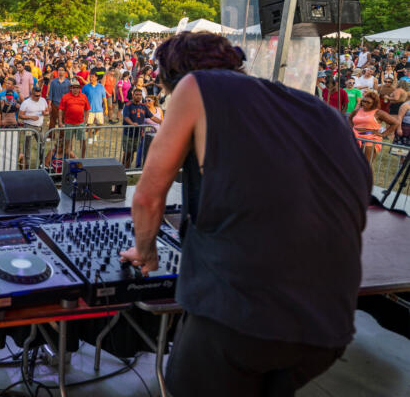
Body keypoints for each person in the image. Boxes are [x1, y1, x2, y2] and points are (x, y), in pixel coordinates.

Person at [119, 32, 371, 397]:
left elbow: (147, 197)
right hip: (329, 324)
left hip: (240, 312)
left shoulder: (196, 85)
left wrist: (145, 250)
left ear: (171, 75)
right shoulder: (321, 111)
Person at [349, 91, 398, 165]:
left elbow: (395, 123)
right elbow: (350, 118)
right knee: (352, 162)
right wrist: (351, 129)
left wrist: (383, 134)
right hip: (355, 137)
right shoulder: (357, 110)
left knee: (366, 164)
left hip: (370, 139)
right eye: (363, 101)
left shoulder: (378, 113)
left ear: (374, 103)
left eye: (368, 102)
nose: (364, 103)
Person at [121, 88, 160, 168]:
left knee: (132, 152)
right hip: (128, 133)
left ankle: (127, 169)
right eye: (137, 95)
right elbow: (126, 117)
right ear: (133, 95)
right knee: (127, 152)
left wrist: (163, 122)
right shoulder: (128, 105)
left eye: (140, 95)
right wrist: (132, 123)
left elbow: (152, 117)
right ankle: (122, 169)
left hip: (138, 134)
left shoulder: (143, 106)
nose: (138, 96)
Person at [58, 78, 90, 158]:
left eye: (77, 87)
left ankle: (83, 158)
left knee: (83, 142)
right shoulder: (66, 97)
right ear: (71, 88)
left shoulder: (83, 96)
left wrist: (86, 120)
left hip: (80, 123)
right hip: (69, 123)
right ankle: (69, 157)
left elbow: (87, 109)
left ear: (79, 88)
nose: (75, 89)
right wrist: (60, 122)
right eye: (74, 87)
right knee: (68, 142)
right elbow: (60, 110)